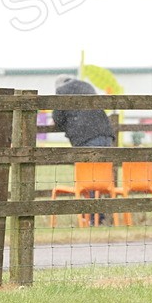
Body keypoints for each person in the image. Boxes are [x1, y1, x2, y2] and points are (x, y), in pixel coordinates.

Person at [52, 75, 116, 224]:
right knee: (101, 178)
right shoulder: (87, 86)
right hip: (106, 133)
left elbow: (57, 118)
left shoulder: (61, 91)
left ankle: (95, 218)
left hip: (86, 136)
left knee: (90, 179)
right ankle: (100, 217)